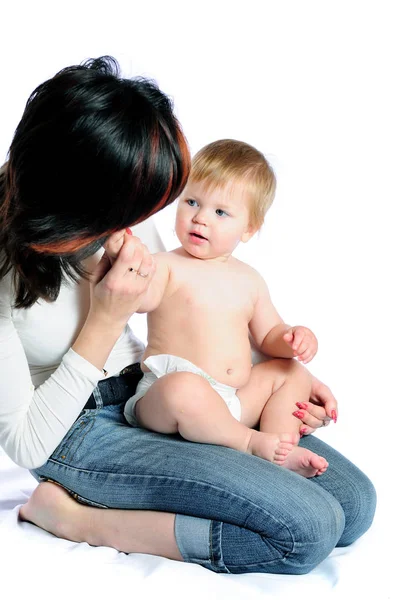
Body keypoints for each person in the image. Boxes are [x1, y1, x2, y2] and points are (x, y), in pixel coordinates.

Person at [0, 56, 376, 575]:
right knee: (306, 532)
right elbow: (24, 443)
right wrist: (106, 319)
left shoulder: (115, 212)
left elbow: (200, 311)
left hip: (156, 393)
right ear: (80, 196)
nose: (142, 221)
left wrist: (285, 378)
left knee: (354, 509)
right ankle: (77, 519)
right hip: (75, 431)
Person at [119, 139, 331, 478]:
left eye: (220, 212)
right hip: (167, 399)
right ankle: (250, 442)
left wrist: (293, 337)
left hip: (230, 403)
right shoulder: (166, 265)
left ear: (248, 228)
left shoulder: (249, 280)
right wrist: (131, 267)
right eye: (191, 202)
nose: (200, 218)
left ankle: (281, 446)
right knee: (184, 388)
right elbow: (141, 299)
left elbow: (269, 336)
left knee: (292, 372)